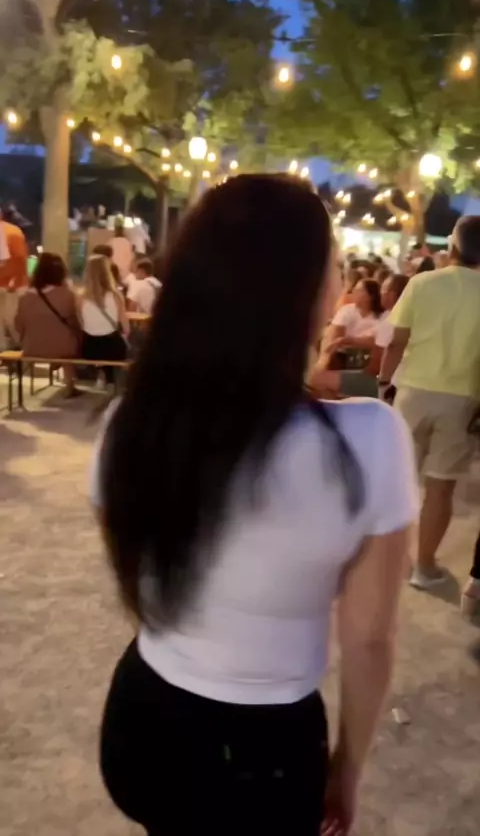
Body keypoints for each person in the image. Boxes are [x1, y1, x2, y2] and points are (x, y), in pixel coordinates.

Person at [91, 174, 417, 836]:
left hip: (143, 715)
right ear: (314, 292)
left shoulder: (130, 425)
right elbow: (369, 639)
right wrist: (348, 769)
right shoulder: (369, 441)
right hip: (263, 751)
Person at [380, 216, 480, 591]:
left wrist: (384, 383)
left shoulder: (421, 283)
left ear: (452, 245)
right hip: (463, 400)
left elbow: (396, 341)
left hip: (413, 392)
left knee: (398, 480)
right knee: (440, 488)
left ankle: (386, 559)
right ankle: (424, 566)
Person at [14, 253, 81, 398]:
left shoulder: (24, 297)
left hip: (32, 348)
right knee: (69, 343)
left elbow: (18, 326)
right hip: (64, 349)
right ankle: (70, 385)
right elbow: (76, 323)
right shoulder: (67, 295)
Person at [79, 254, 129, 383]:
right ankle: (109, 377)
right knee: (118, 343)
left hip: (89, 347)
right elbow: (126, 327)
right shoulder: (116, 295)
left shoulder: (80, 297)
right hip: (111, 347)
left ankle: (100, 374)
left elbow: (81, 324)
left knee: (95, 343)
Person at [323, 279, 383, 366]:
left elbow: (378, 341)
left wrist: (348, 341)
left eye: (359, 291)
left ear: (371, 296)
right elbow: (336, 337)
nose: (354, 293)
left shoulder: (382, 316)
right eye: (355, 290)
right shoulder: (347, 310)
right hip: (344, 357)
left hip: (371, 359)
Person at [0, 207, 28, 350]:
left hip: (12, 286)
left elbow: (19, 258)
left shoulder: (11, 232)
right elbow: (21, 259)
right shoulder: (13, 231)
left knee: (11, 321)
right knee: (12, 321)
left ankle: (14, 348)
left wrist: (14, 281)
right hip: (13, 285)